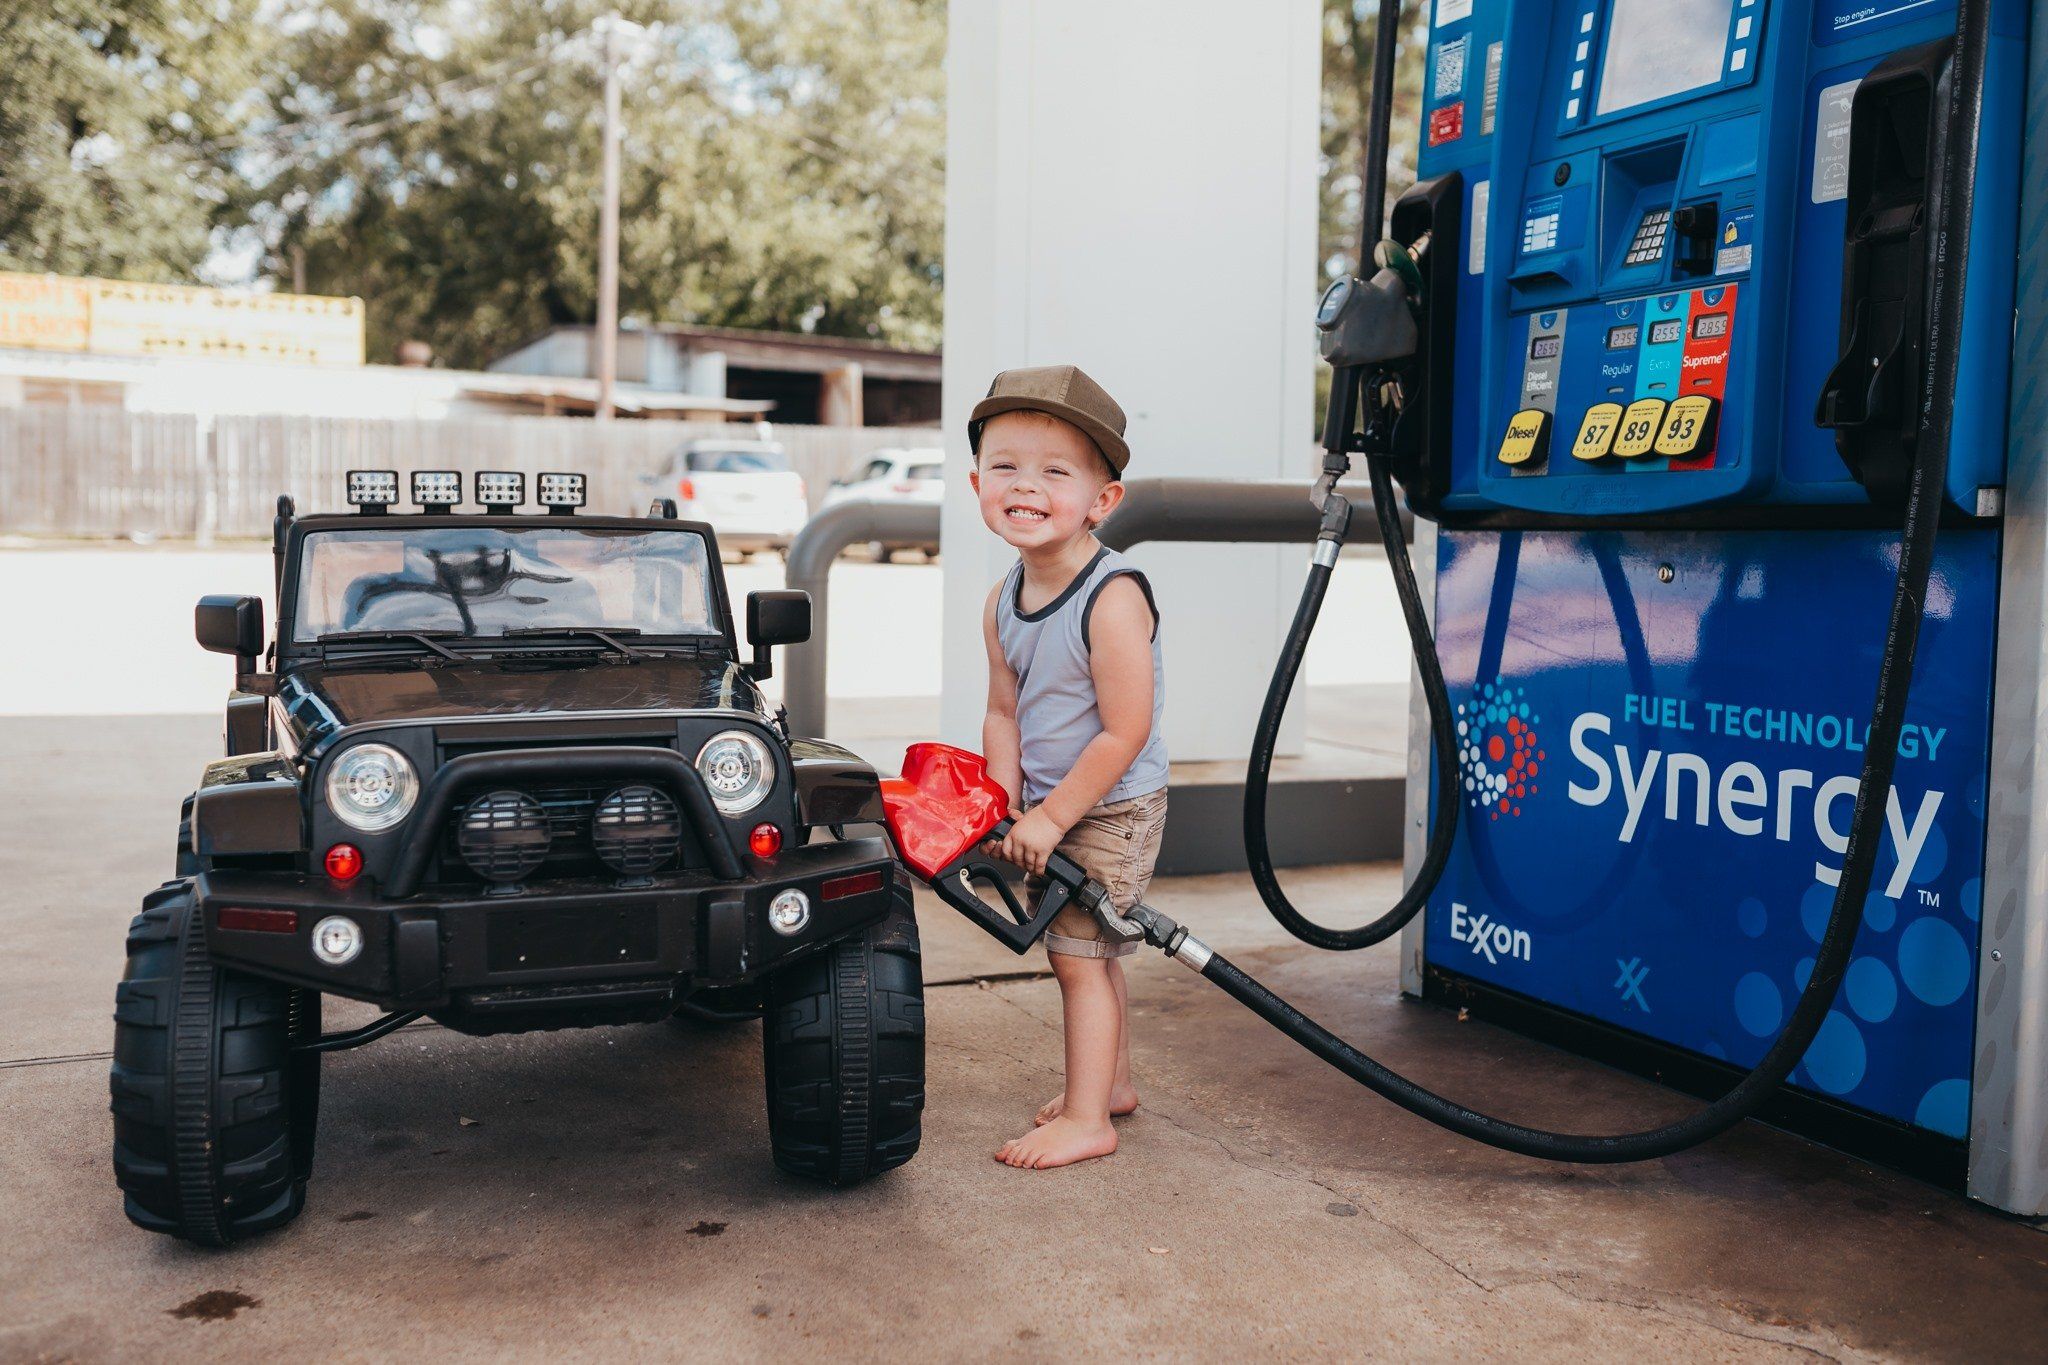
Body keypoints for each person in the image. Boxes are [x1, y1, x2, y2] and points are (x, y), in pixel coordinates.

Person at [969, 365, 1169, 1170]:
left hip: (1113, 804)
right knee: (1094, 950)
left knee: (1075, 954)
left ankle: (1090, 1118)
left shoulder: (1111, 595)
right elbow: (1003, 713)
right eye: (1007, 466)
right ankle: (1111, 1083)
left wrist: (1053, 818)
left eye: (1056, 471)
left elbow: (1126, 729)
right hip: (1051, 803)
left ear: (1102, 499)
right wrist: (1004, 798)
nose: (1027, 485)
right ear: (977, 481)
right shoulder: (1002, 597)